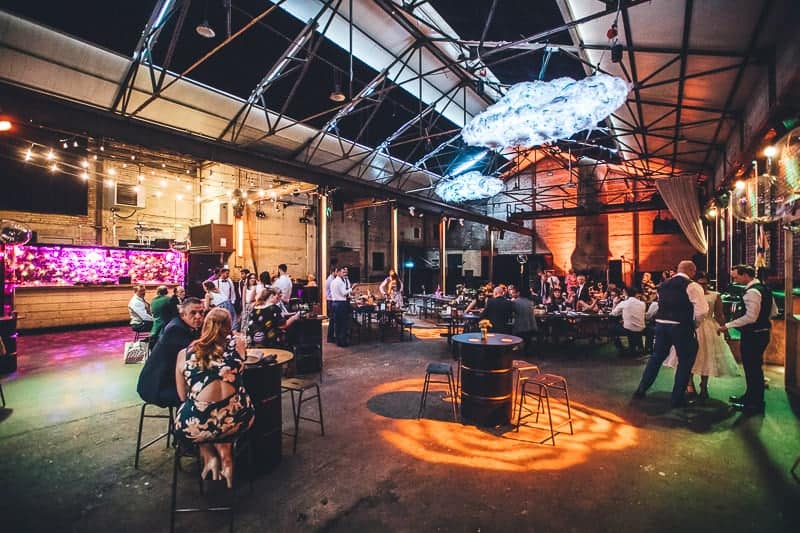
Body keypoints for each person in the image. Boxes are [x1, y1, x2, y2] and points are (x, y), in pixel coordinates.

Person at [174, 308, 254, 488]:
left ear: (205, 325)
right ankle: (226, 457)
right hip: (238, 421)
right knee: (226, 412)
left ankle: (209, 457)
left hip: (194, 427)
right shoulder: (237, 346)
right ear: (228, 327)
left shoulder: (184, 354)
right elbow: (242, 361)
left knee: (203, 416)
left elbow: (182, 395)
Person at [633, 260, 709, 408]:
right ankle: (677, 398)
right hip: (681, 326)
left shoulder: (663, 285)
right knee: (685, 361)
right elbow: (702, 311)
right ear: (692, 271)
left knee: (656, 358)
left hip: (661, 325)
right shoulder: (692, 286)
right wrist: (695, 324)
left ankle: (641, 389)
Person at [663, 272, 739, 398]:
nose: (703, 286)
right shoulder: (689, 294)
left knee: (707, 357)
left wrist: (725, 330)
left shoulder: (715, 295)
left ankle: (704, 385)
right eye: (700, 284)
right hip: (692, 326)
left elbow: (719, 314)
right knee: (690, 357)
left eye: (705, 284)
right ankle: (690, 384)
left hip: (708, 327)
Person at [719, 264, 778, 414]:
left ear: (745, 275)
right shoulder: (764, 289)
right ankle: (750, 397)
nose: (735, 280)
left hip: (753, 335)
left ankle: (755, 403)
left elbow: (751, 317)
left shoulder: (752, 292)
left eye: (736, 277)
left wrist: (728, 325)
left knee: (753, 369)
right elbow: (774, 311)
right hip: (762, 333)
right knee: (753, 368)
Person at [137, 297, 204, 407]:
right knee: (200, 395)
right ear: (183, 314)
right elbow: (193, 356)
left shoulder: (184, 325)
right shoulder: (176, 329)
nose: (198, 316)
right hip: (157, 387)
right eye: (193, 313)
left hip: (166, 381)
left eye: (201, 312)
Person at [609, 287, 646, 356]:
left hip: (629, 329)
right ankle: (637, 348)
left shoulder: (624, 303)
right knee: (628, 325)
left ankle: (620, 348)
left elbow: (613, 313)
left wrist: (614, 303)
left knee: (611, 328)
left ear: (626, 294)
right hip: (640, 328)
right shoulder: (642, 303)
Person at [330, 266, 357, 347]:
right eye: (342, 272)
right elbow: (344, 293)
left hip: (334, 303)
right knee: (342, 323)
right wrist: (352, 288)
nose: (344, 273)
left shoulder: (333, 281)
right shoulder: (340, 282)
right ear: (338, 272)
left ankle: (338, 341)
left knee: (337, 323)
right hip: (341, 303)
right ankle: (342, 342)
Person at [511, 285, 538, 355]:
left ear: (518, 293)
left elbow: (512, 313)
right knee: (527, 339)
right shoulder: (530, 302)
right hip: (529, 326)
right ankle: (527, 351)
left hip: (519, 327)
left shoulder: (515, 302)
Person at [325, 265, 340, 343]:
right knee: (332, 319)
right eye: (337, 271)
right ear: (333, 272)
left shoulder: (332, 279)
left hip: (331, 300)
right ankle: (330, 337)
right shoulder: (331, 280)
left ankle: (331, 336)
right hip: (331, 301)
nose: (338, 273)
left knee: (333, 319)